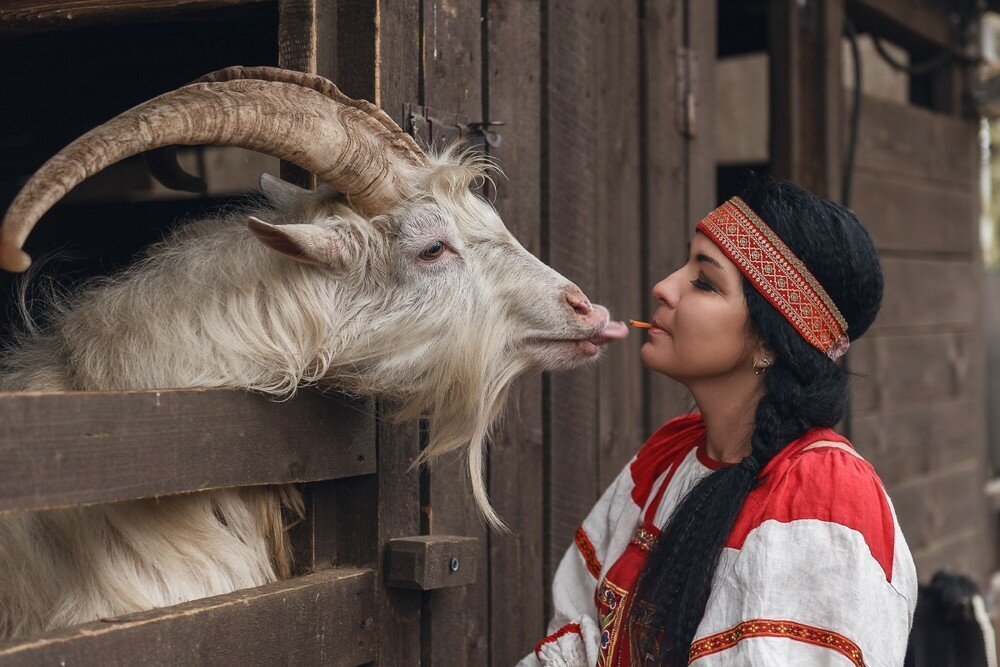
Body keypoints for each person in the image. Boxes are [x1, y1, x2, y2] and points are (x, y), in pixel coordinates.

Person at [519, 179, 917, 666]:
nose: (663, 287)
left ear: (771, 342)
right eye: (684, 264)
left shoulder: (824, 498)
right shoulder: (669, 457)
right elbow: (579, 639)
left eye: (704, 282)